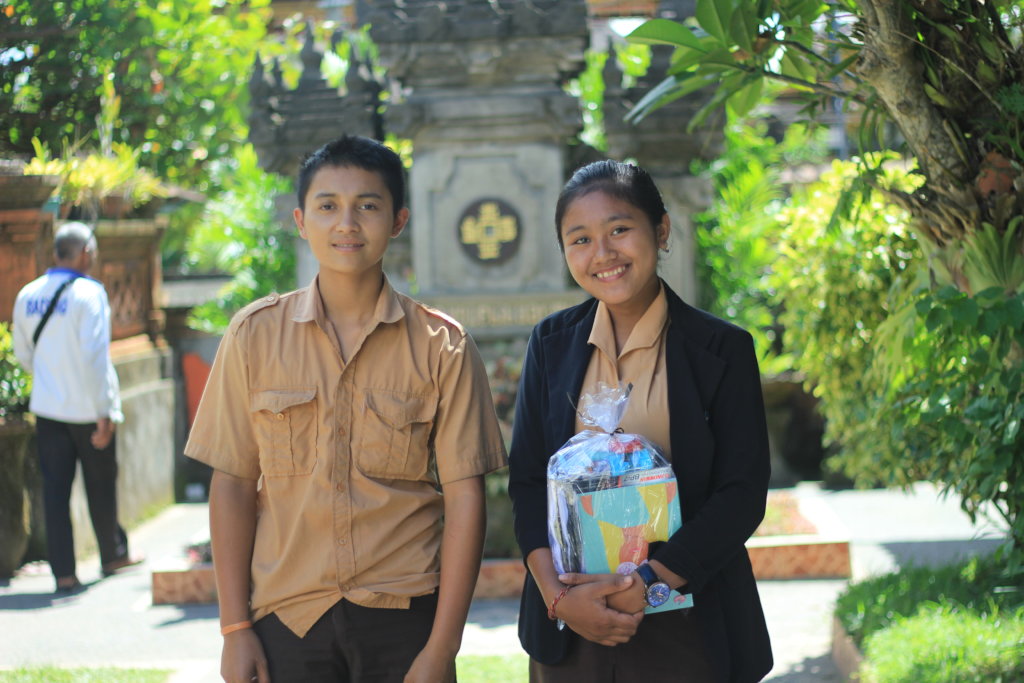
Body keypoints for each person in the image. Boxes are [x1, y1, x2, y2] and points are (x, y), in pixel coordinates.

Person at [184, 134, 508, 683]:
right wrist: (235, 631)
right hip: (288, 619)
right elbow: (233, 484)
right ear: (300, 219)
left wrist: (441, 649)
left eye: (368, 206)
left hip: (404, 616)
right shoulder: (254, 336)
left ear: (399, 220)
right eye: (328, 206)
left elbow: (464, 499)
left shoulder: (441, 346)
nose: (347, 224)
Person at [508, 160, 773, 682]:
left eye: (620, 230)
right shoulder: (552, 343)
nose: (602, 254)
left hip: (688, 621)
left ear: (662, 230)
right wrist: (559, 597)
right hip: (571, 627)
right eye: (579, 239)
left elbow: (742, 493)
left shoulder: (720, 349)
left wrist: (649, 582)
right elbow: (526, 480)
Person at [12, 221, 140, 595]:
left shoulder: (27, 294)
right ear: (85, 253)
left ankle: (64, 574)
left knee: (54, 491)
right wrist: (104, 410)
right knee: (101, 483)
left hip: (49, 409)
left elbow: (24, 353)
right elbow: (95, 357)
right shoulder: (89, 293)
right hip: (88, 409)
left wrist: (52, 379)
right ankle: (112, 554)